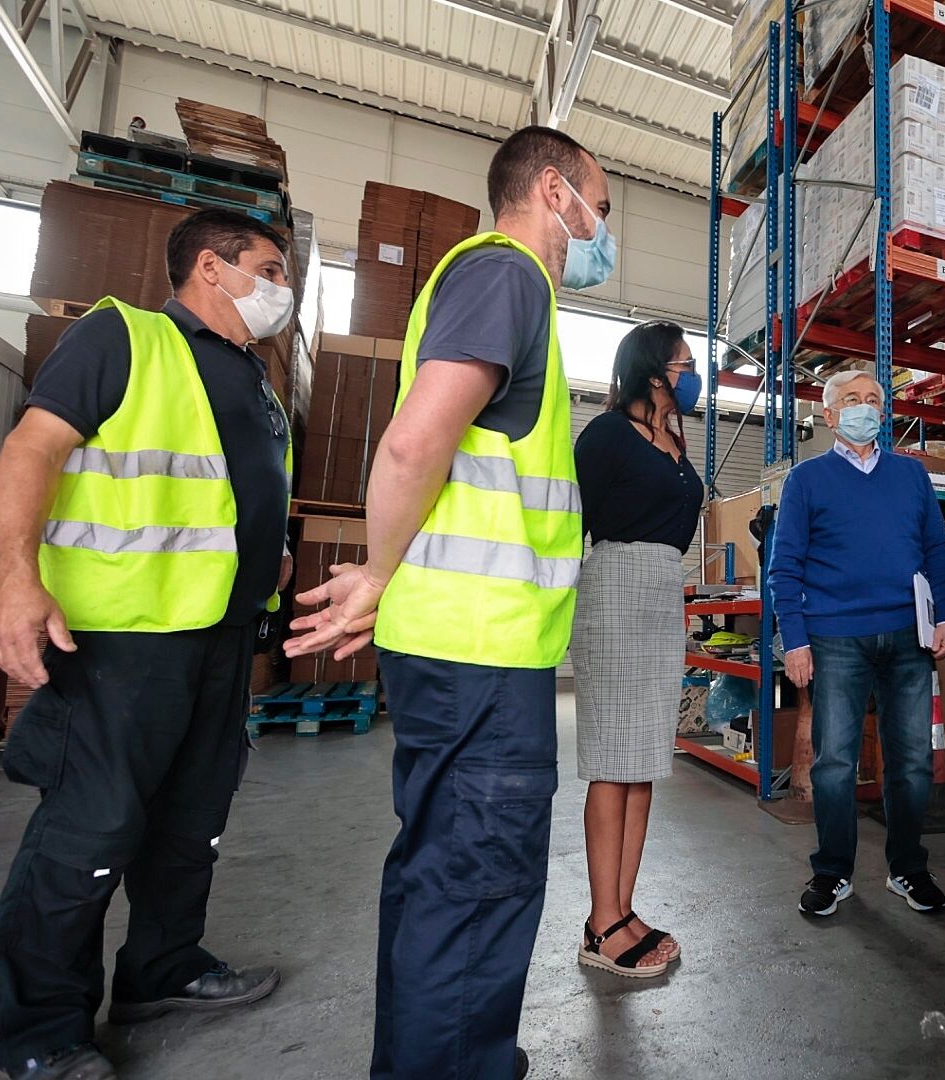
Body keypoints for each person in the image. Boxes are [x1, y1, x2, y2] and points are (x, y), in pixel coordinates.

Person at [283, 125, 610, 1080]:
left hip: (469, 650)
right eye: (601, 206)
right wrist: (379, 573)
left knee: (444, 883)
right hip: (480, 656)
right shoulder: (506, 273)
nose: (603, 232)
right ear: (556, 192)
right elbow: (410, 443)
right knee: (475, 890)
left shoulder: (498, 287)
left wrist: (388, 574)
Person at [0, 208, 295, 1080]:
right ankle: (41, 1029)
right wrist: (12, 580)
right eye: (268, 268)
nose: (282, 289)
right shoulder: (126, 338)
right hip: (123, 635)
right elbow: (30, 451)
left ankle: (162, 968)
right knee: (92, 825)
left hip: (219, 632)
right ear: (211, 267)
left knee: (193, 818)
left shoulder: (250, 377)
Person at [770, 370, 945, 919]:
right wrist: (796, 640)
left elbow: (934, 550)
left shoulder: (911, 476)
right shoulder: (807, 480)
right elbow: (785, 567)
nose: (864, 407)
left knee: (912, 763)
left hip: (908, 638)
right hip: (834, 639)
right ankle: (832, 873)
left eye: (873, 399)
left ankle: (908, 867)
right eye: (851, 400)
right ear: (828, 415)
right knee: (833, 763)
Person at [570, 320, 704, 978]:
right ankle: (601, 923)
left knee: (642, 760)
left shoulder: (672, 438)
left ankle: (622, 910)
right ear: (653, 373)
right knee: (612, 761)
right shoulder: (606, 436)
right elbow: (573, 523)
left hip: (659, 590)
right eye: (683, 363)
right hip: (617, 585)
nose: (692, 373)